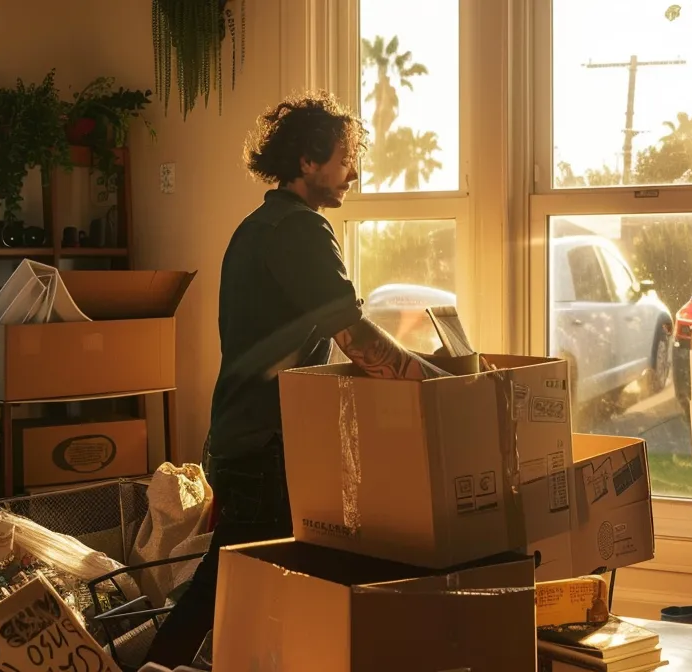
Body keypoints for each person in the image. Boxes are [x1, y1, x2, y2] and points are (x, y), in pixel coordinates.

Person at [143, 92, 448, 666]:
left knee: (248, 582)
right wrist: (432, 383)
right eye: (343, 157)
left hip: (246, 438)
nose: (352, 173)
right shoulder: (298, 230)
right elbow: (350, 332)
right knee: (239, 580)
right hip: (263, 447)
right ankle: (154, 665)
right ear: (307, 162)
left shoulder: (261, 225)